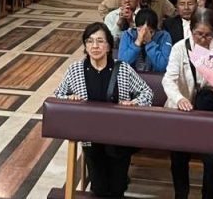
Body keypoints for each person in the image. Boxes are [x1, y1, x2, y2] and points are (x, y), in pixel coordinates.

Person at [54, 22, 152, 199]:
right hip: (90, 138)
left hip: (119, 138)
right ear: (85, 45)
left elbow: (147, 92)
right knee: (98, 188)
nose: (95, 46)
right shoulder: (76, 69)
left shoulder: (122, 69)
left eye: (100, 41)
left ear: (108, 46)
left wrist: (134, 103)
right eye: (90, 41)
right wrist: (69, 99)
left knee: (117, 188)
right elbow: (59, 94)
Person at [163, 9, 213, 199]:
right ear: (191, 29)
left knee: (212, 159)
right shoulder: (180, 48)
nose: (203, 39)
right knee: (179, 157)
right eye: (198, 34)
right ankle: (181, 194)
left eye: (208, 35)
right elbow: (168, 80)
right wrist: (179, 98)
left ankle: (209, 195)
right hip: (183, 110)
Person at [118, 8, 172, 73]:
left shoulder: (164, 36)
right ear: (135, 27)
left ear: (156, 29)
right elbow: (121, 65)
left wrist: (149, 43)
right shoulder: (127, 35)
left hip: (156, 79)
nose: (144, 35)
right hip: (131, 79)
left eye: (150, 32)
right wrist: (137, 43)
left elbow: (163, 67)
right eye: (140, 30)